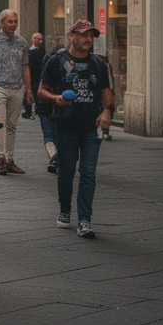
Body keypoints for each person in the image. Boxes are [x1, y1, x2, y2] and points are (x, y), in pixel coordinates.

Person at [37, 19, 113, 239]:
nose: (88, 39)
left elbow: (106, 92)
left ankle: (84, 220)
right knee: (66, 172)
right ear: (71, 36)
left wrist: (106, 112)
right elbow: (42, 91)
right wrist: (56, 98)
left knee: (88, 174)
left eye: (91, 36)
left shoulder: (98, 64)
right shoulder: (56, 61)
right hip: (66, 125)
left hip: (92, 127)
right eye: (83, 35)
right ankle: (64, 210)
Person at [0, 10, 33, 175]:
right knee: (0, 124)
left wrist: (29, 89)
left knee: (12, 126)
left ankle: (10, 159)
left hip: (17, 88)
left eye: (15, 21)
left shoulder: (22, 43)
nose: (13, 25)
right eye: (10, 22)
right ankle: (0, 158)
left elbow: (25, 66)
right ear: (1, 23)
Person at [24, 32, 46, 119]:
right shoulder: (30, 52)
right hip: (32, 76)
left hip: (40, 76)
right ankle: (29, 111)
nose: (40, 42)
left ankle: (34, 110)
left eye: (42, 39)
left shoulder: (42, 51)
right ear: (33, 40)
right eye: (38, 39)